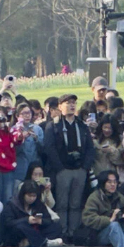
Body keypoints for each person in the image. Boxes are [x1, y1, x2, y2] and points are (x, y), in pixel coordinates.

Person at [43, 94, 95, 239]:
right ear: (60, 106)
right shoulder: (53, 125)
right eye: (68, 103)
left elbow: (90, 148)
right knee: (62, 203)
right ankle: (62, 231)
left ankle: (74, 232)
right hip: (62, 170)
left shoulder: (82, 125)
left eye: (74, 103)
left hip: (79, 169)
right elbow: (49, 147)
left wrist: (85, 167)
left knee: (76, 203)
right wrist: (59, 167)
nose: (72, 105)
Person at [0, 180, 63, 247]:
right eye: (29, 196)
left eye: (34, 196)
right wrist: (27, 220)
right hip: (19, 234)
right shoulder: (12, 205)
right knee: (20, 227)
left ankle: (31, 242)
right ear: (23, 194)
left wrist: (41, 221)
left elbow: (49, 220)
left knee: (57, 226)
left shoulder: (39, 205)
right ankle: (45, 242)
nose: (32, 198)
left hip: (35, 231)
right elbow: (8, 223)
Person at [12, 103, 44, 193]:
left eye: (29, 113)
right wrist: (21, 139)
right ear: (17, 116)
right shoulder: (13, 130)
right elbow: (13, 151)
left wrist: (36, 139)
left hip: (35, 169)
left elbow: (43, 149)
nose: (27, 115)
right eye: (24, 113)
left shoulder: (38, 129)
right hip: (20, 170)